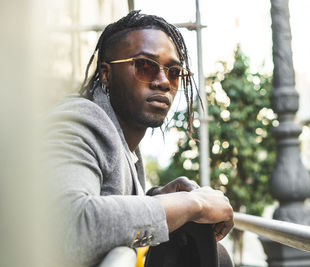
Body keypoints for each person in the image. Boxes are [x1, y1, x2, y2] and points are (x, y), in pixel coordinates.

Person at [45, 10, 234, 266]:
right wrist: (193, 203)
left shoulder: (124, 140)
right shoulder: (81, 118)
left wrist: (156, 198)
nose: (163, 82)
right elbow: (69, 225)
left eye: (174, 71)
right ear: (106, 74)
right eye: (145, 66)